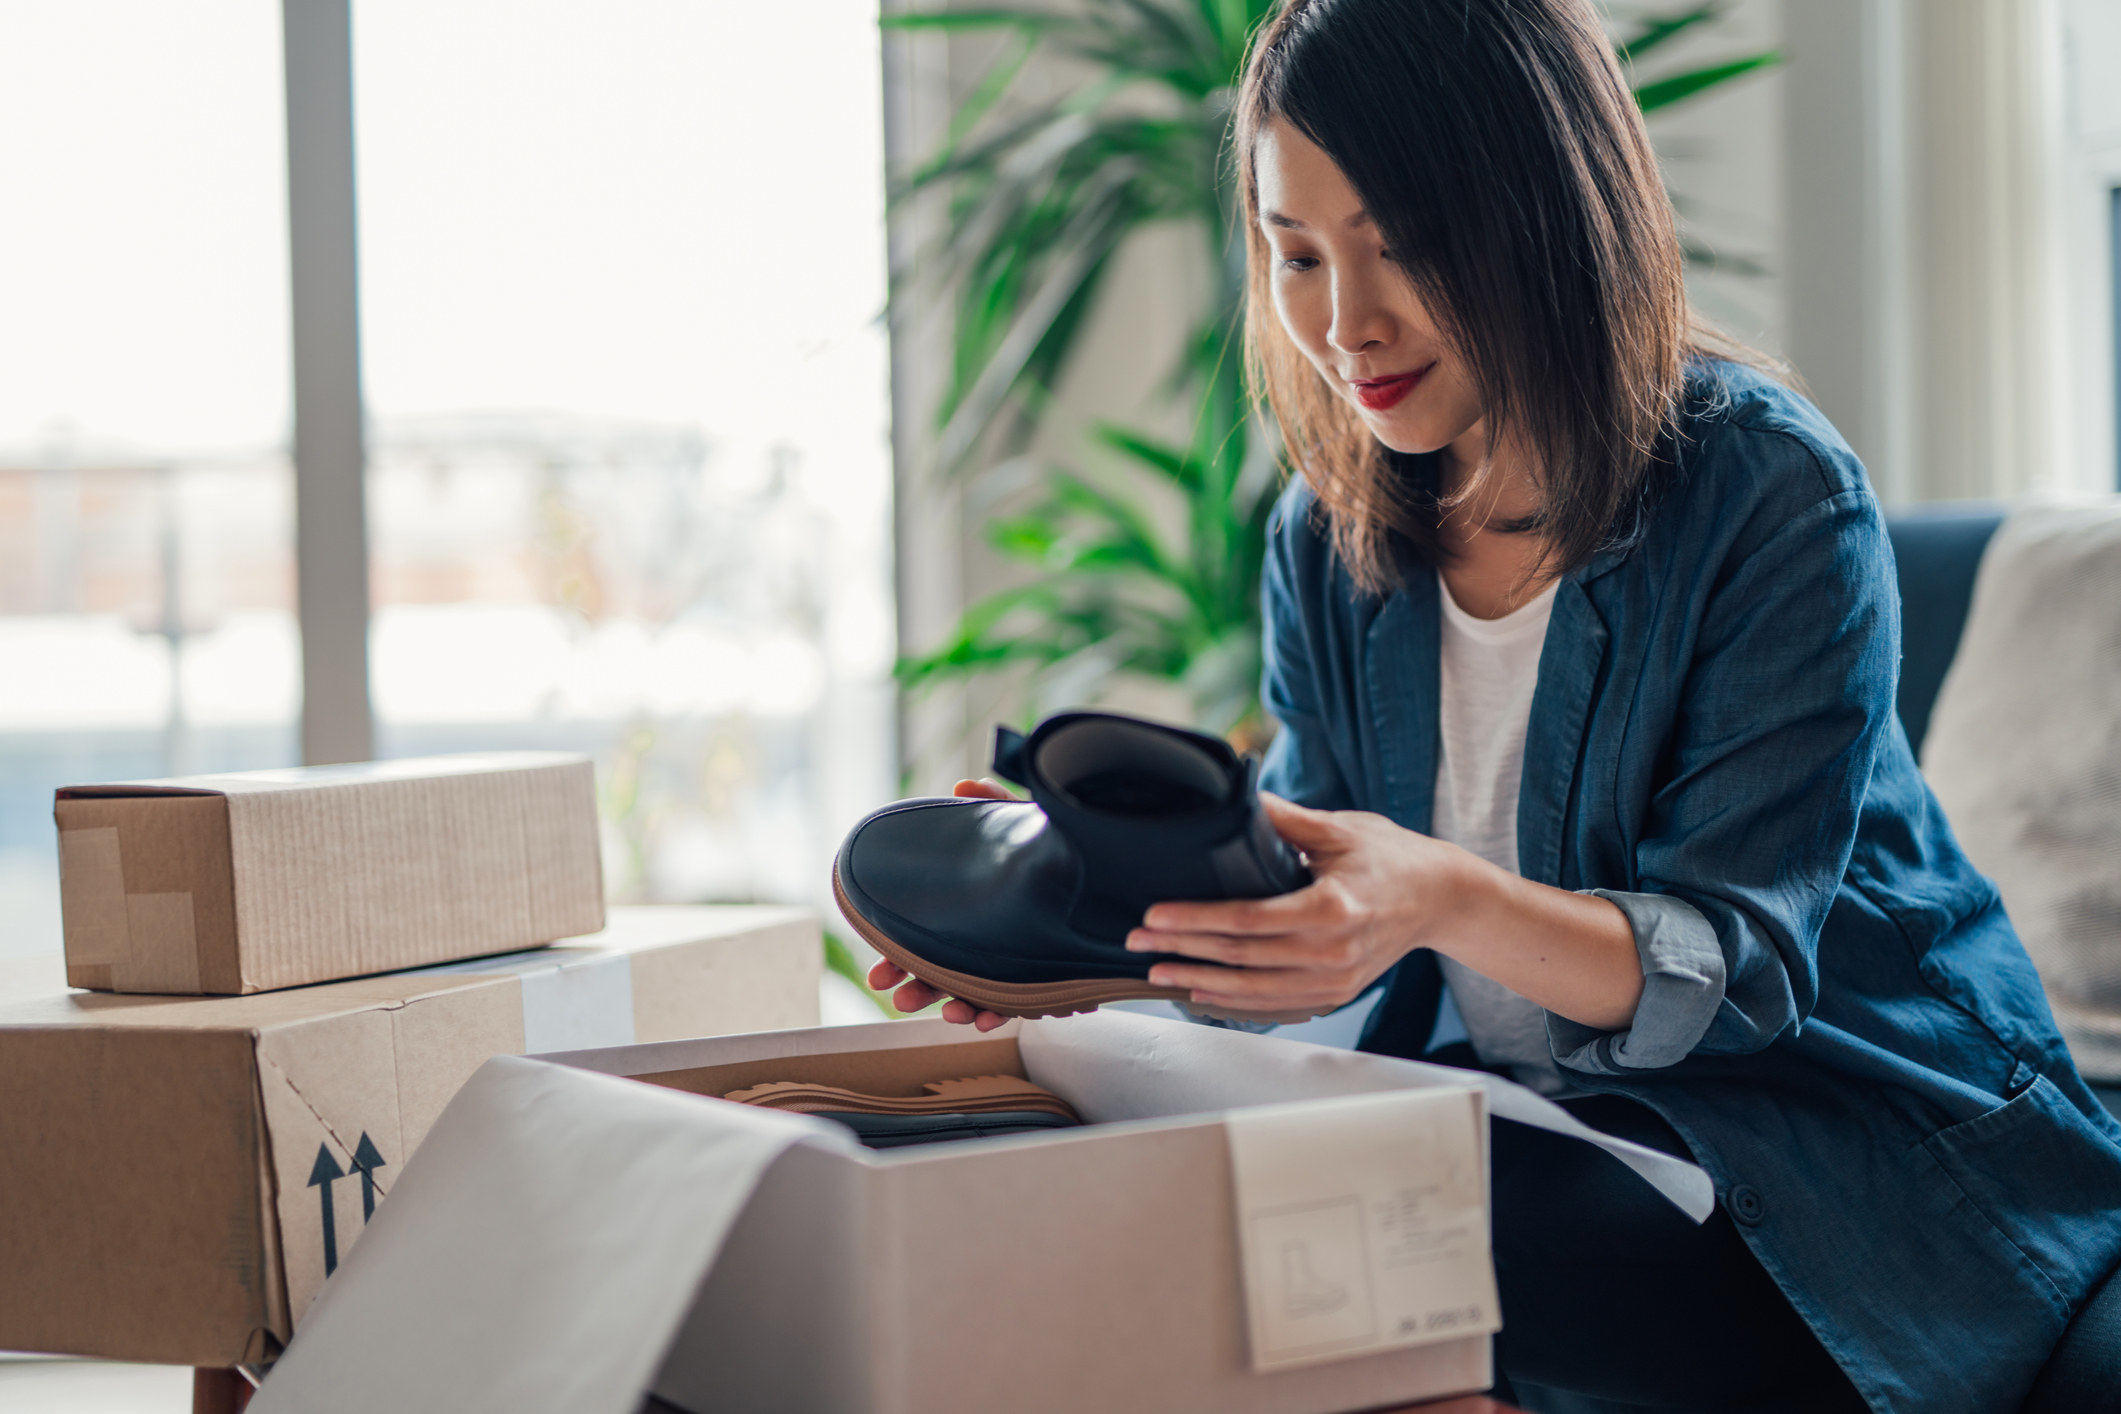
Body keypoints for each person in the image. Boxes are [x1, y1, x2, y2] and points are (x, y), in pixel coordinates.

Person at [869, 1, 2121, 1409]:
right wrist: (1094, 933)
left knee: (1412, 1281)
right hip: (1544, 1135)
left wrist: (1435, 896)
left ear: (1546, 209)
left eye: (1402, 244)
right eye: (1296, 255)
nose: (1345, 323)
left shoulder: (1770, 497)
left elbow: (1733, 972)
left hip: (1835, 1150)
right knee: (1181, 1234)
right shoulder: (1324, 540)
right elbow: (1328, 918)